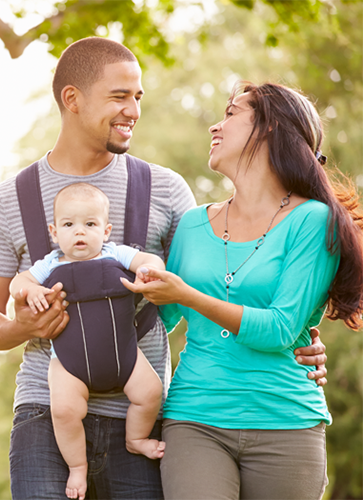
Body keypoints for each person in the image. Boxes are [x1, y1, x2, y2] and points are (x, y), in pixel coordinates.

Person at [0, 37, 328, 500]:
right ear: (72, 99)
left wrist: (299, 336)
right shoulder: (6, 202)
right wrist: (23, 326)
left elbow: (206, 285)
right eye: (119, 96)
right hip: (48, 411)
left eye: (138, 97)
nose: (133, 110)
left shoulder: (166, 189)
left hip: (143, 416)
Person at [122, 81, 363, 500]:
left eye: (232, 113)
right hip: (194, 418)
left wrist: (188, 295)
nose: (216, 126)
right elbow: (156, 322)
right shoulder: (194, 224)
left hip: (286, 422)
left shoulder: (313, 221)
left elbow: (279, 331)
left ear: (269, 128)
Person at [9, 182, 166, 500]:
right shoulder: (49, 264)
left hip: (125, 358)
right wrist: (31, 290)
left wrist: (149, 271)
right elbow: (18, 282)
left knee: (151, 393)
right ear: (54, 232)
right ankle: (77, 466)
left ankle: (136, 439)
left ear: (106, 230)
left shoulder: (116, 253)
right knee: (64, 410)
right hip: (69, 364)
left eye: (90, 224)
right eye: (69, 225)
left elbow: (149, 260)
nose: (79, 232)